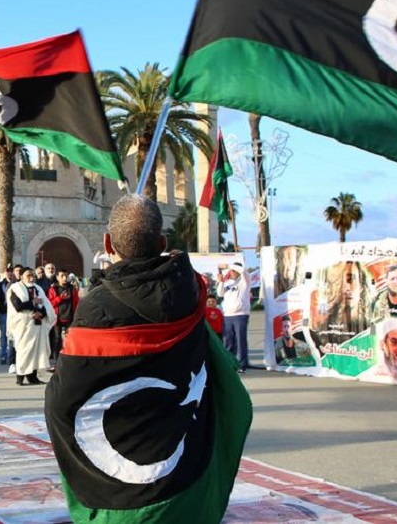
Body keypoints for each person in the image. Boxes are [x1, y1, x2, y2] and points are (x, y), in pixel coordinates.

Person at [45, 195, 250, 523]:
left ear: (108, 242)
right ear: (163, 242)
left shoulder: (97, 307)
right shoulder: (191, 292)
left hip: (121, 489)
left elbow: (65, 397)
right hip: (185, 480)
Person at [7, 267, 56, 385]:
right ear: (22, 276)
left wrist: (41, 313)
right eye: (28, 275)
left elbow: (46, 304)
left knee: (37, 351)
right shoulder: (15, 288)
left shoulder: (38, 289)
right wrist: (33, 305)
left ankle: (33, 376)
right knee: (25, 350)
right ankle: (20, 376)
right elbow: (17, 306)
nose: (31, 277)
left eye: (32, 275)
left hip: (38, 324)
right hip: (24, 324)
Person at [217, 262, 251, 373]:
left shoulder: (244, 282)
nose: (232, 273)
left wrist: (230, 265)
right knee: (228, 340)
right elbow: (220, 294)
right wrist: (221, 282)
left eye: (233, 271)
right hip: (228, 316)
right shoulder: (228, 283)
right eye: (231, 271)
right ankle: (228, 364)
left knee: (240, 340)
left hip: (241, 315)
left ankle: (241, 365)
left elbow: (243, 271)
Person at [47, 268, 78, 365]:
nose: (64, 278)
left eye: (66, 276)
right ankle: (56, 362)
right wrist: (60, 298)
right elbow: (50, 303)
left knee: (70, 340)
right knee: (57, 340)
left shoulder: (72, 288)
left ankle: (69, 361)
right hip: (57, 318)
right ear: (57, 277)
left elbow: (76, 302)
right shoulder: (53, 289)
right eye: (62, 276)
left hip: (70, 317)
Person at [0, 264, 15, 365]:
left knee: (14, 335)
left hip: (14, 313)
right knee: (4, 334)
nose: (9, 273)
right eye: (8, 271)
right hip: (4, 312)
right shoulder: (1, 284)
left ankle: (13, 355)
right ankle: (3, 354)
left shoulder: (17, 284)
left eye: (11, 271)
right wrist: (4, 295)